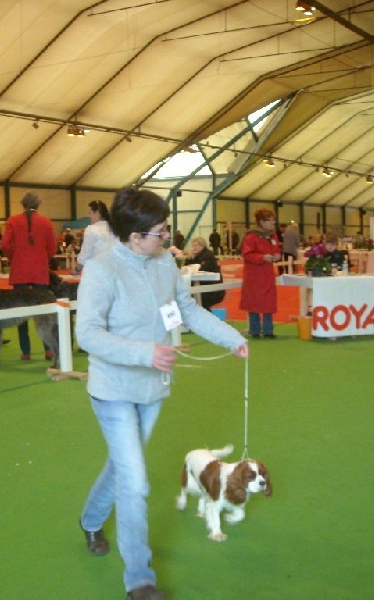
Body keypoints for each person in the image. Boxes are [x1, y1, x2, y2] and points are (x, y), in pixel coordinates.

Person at [76, 187, 247, 600]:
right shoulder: (101, 269)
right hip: (114, 389)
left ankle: (90, 520)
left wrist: (231, 338)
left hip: (152, 390)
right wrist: (145, 352)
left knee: (123, 468)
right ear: (134, 236)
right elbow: (88, 334)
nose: (168, 237)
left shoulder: (164, 262)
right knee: (135, 482)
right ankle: (139, 581)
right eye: (160, 231)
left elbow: (186, 310)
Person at [1, 192, 57, 360]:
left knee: (21, 313)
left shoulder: (12, 221)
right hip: (40, 273)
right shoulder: (46, 222)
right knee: (43, 312)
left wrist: (14, 258)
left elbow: (4, 245)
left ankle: (26, 352)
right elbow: (52, 248)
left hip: (20, 273)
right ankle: (48, 349)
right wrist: (42, 259)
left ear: (22, 204)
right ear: (38, 205)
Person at [240, 208, 280, 339]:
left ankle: (268, 331)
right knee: (254, 303)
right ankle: (255, 330)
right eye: (270, 220)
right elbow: (247, 254)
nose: (273, 222)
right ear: (262, 222)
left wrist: (277, 254)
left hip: (267, 274)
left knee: (268, 302)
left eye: (273, 220)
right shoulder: (251, 236)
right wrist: (262, 257)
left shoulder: (273, 236)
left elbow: (276, 248)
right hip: (254, 275)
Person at [183, 237, 225, 309]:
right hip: (200, 285)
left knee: (196, 300)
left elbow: (201, 269)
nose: (193, 248)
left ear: (202, 246)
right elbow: (188, 268)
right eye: (193, 246)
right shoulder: (196, 255)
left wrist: (193, 263)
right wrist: (190, 258)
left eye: (196, 245)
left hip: (211, 288)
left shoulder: (208, 255)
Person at [75, 200, 113, 273]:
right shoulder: (113, 229)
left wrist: (77, 269)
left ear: (97, 213)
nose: (88, 216)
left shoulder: (91, 229)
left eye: (90, 213)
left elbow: (85, 253)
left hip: (96, 271)